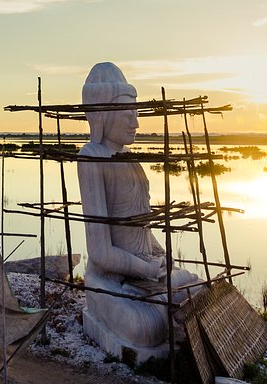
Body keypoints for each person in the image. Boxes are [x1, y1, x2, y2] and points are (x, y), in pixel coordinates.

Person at [77, 62, 200, 355]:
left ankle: (163, 302)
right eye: (127, 113)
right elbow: (100, 252)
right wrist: (144, 268)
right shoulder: (92, 157)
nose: (136, 123)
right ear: (103, 115)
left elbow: (142, 228)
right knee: (145, 327)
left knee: (198, 287)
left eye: (137, 113)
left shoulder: (130, 158)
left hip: (145, 272)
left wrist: (159, 257)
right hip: (110, 278)